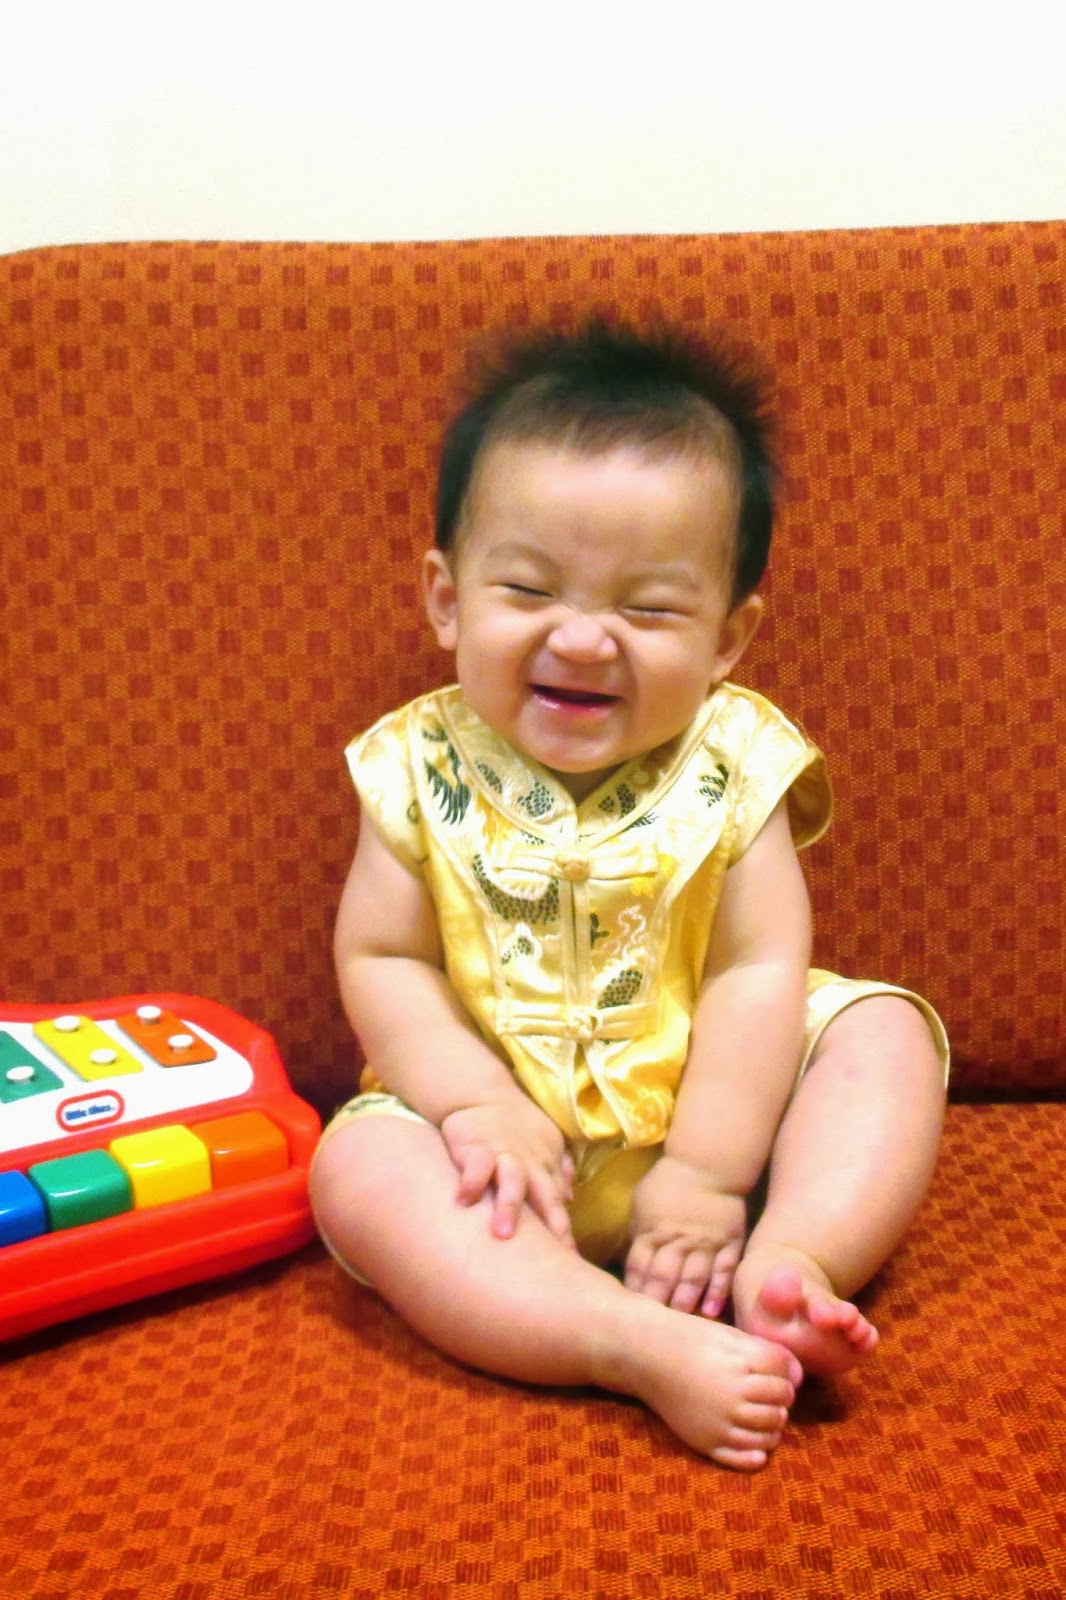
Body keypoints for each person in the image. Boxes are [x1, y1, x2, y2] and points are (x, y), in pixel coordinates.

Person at [309, 320, 949, 1471]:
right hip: (495, 1156)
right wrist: (471, 1105)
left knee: (884, 1032)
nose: (582, 635)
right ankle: (620, 1338)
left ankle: (790, 1259)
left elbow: (756, 968)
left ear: (728, 637)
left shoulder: (736, 761)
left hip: (724, 1125)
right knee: (355, 1169)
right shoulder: (410, 764)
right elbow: (383, 958)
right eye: (526, 588)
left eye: (648, 609)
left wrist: (708, 1173)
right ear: (446, 599)